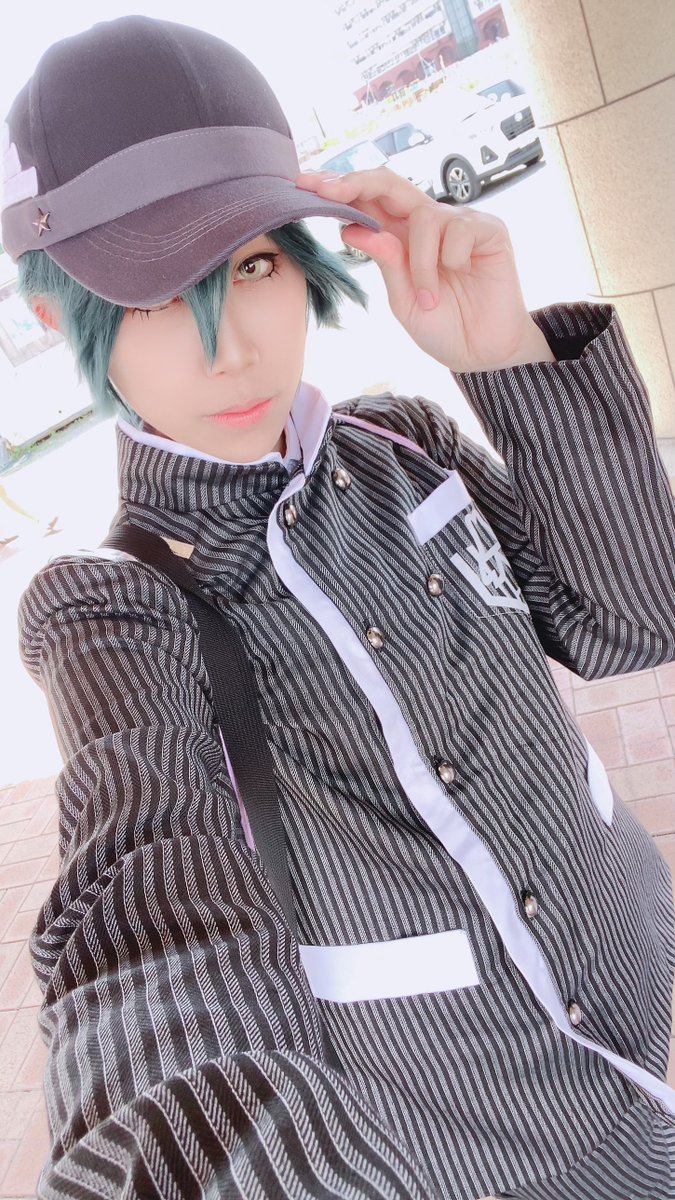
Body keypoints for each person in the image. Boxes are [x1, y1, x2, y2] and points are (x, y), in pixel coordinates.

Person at [2, 14, 674, 1200]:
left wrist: (504, 355)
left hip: (634, 973)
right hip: (467, 1124)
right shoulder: (112, 608)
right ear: (65, 319)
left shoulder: (405, 442)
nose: (230, 348)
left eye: (254, 265)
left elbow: (632, 622)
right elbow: (144, 912)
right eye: (156, 299)